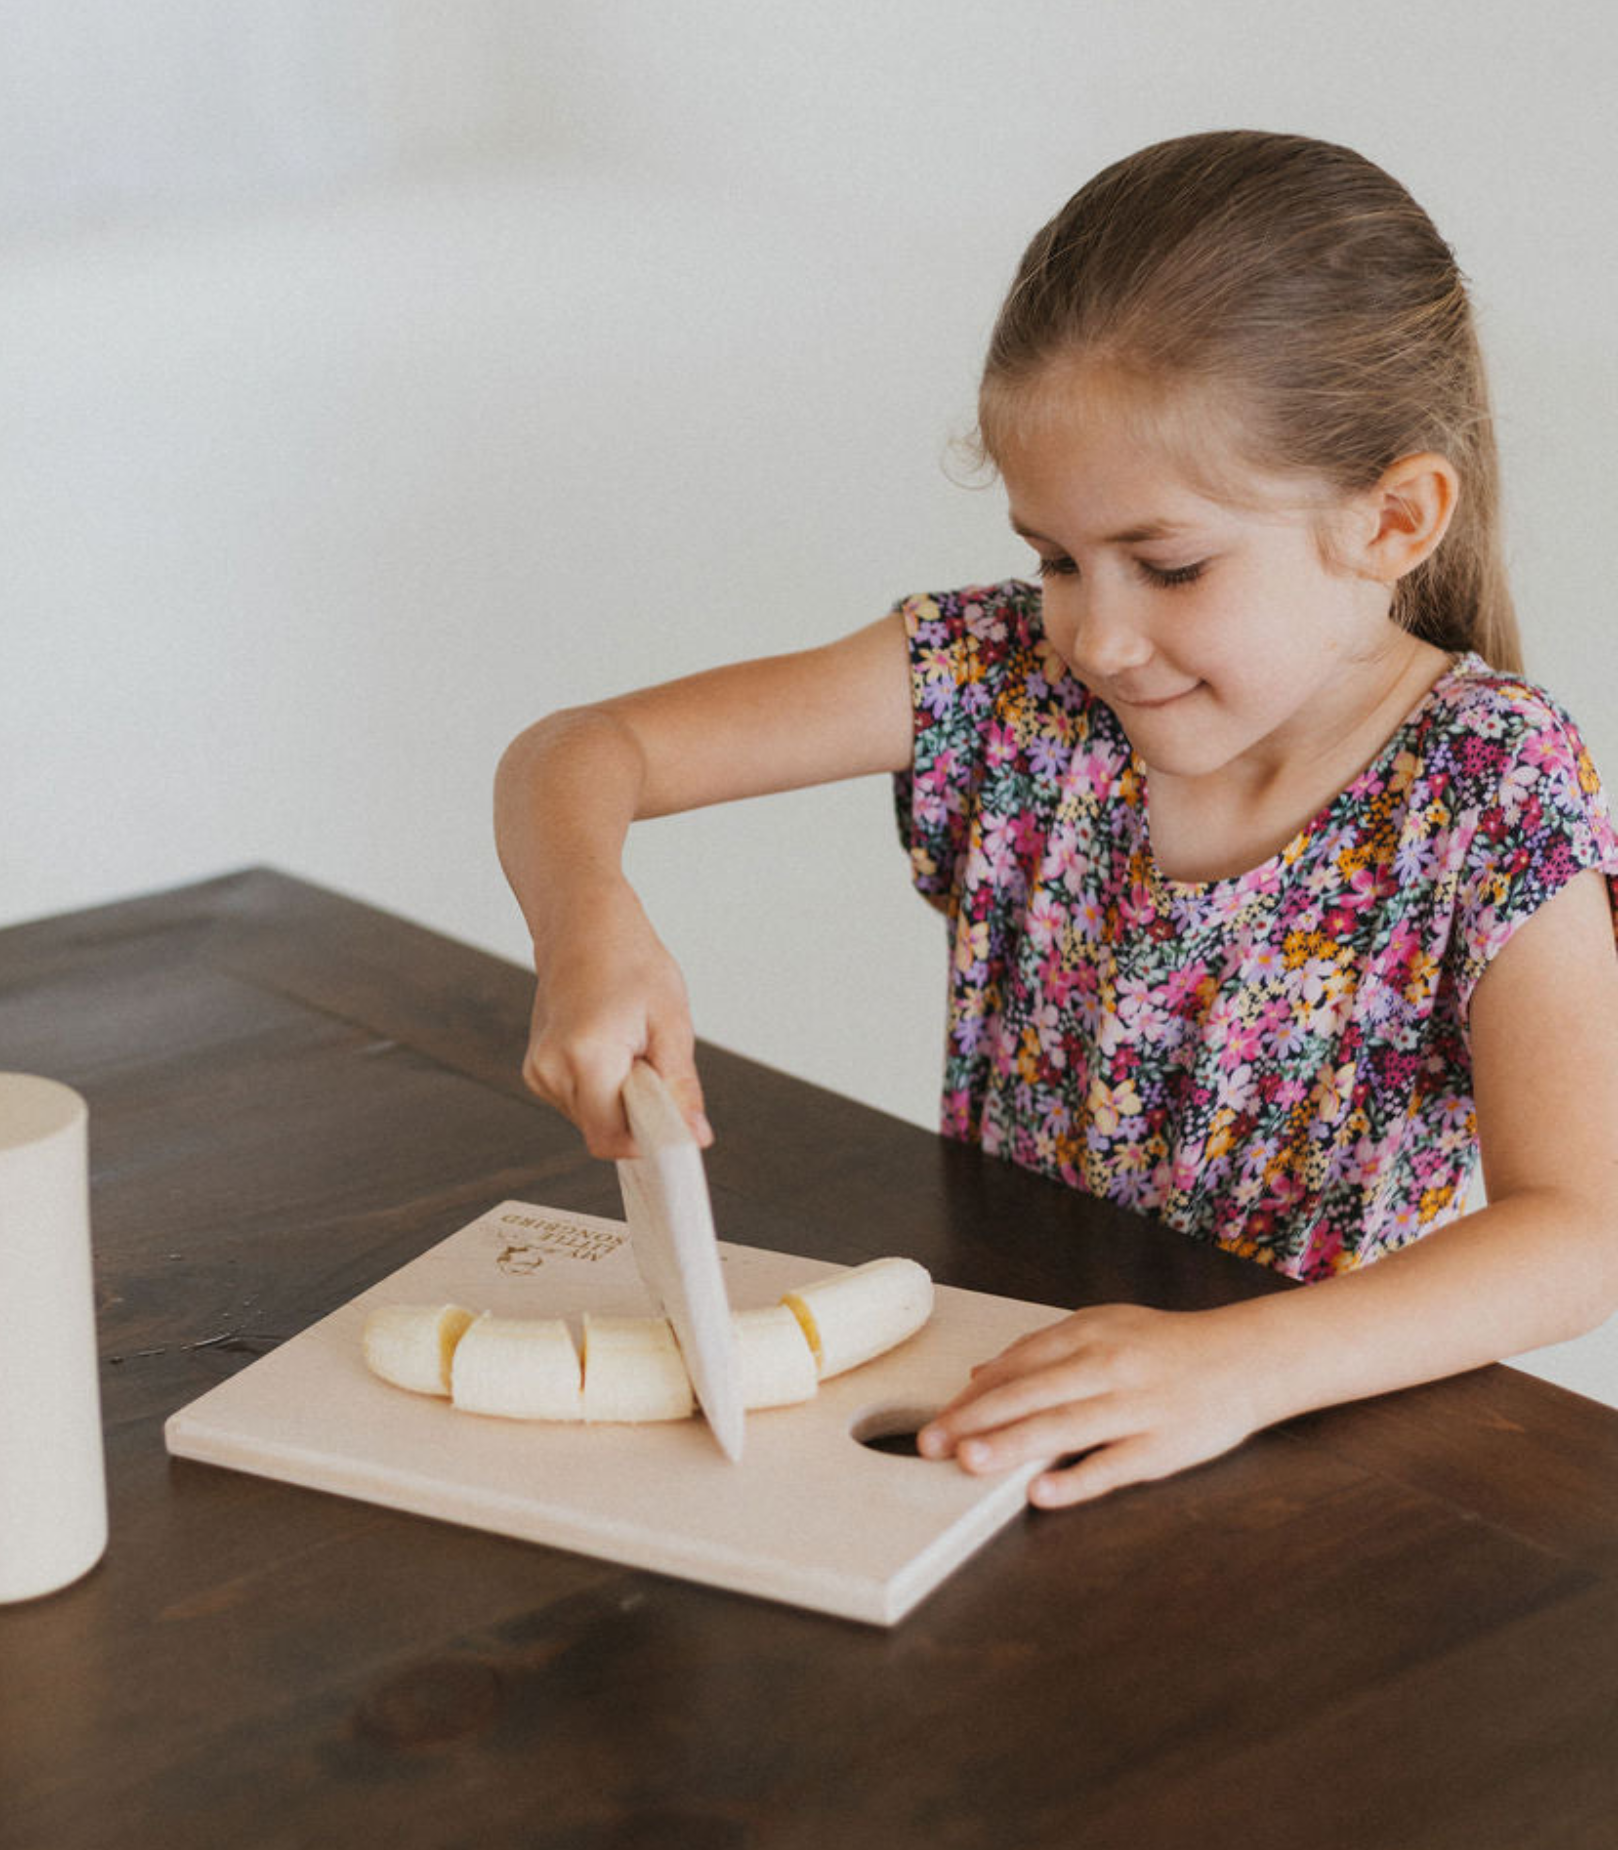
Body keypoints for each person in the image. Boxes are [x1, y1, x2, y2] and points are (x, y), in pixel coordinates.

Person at [492, 130, 1618, 1507]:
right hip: (1002, 1404)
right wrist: (587, 922)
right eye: (1056, 559)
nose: (1095, 635)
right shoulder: (997, 677)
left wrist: (1234, 1368)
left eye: (1170, 565)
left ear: (1392, 520)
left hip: (1306, 1466)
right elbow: (576, 752)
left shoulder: (1489, 787)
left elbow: (1584, 1232)